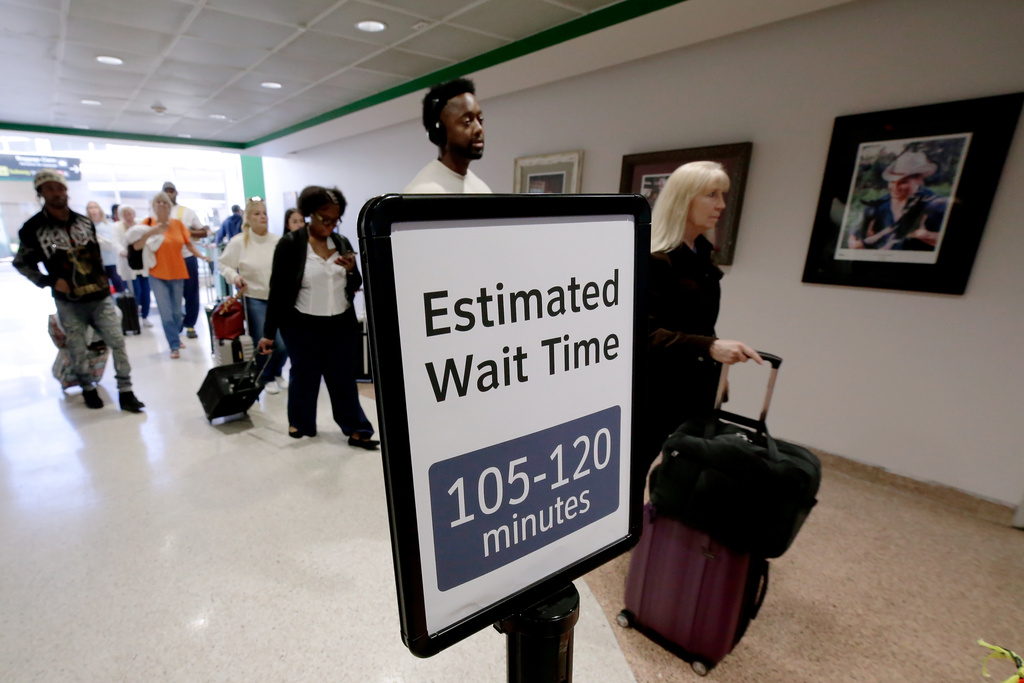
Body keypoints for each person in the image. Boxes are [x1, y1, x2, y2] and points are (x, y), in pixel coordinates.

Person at [644, 161, 762, 472]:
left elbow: (700, 323)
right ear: (684, 198)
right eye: (711, 195)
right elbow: (645, 334)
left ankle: (663, 522)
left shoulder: (700, 253)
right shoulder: (655, 260)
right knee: (634, 468)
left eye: (722, 195)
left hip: (694, 384)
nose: (721, 205)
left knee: (688, 469)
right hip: (656, 390)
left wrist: (716, 370)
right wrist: (709, 348)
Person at [13, 170, 145, 412]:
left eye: (60, 187)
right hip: (69, 301)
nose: (56, 193)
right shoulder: (32, 229)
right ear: (41, 192)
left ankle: (126, 391)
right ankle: (88, 388)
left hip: (100, 295)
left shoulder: (84, 222)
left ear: (66, 190)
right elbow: (21, 263)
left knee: (117, 342)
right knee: (77, 347)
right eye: (50, 188)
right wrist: (48, 281)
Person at [259, 186, 377, 449]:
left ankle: (356, 427)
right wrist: (268, 333)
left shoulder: (342, 243)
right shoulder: (291, 244)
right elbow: (277, 290)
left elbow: (356, 282)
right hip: (302, 324)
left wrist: (350, 271)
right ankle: (300, 423)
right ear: (310, 214)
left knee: (343, 377)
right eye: (325, 219)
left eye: (336, 220)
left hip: (341, 323)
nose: (331, 225)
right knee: (304, 374)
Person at [218, 198, 289, 395]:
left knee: (284, 344)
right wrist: (235, 276)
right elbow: (223, 264)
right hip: (254, 297)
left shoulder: (277, 241)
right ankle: (265, 377)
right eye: (257, 214)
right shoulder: (239, 242)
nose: (262, 217)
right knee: (265, 341)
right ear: (248, 218)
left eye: (264, 213)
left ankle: (276, 372)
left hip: (279, 298)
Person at [134, 192, 210, 358]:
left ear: (170, 206)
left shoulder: (178, 224)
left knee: (176, 312)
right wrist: (150, 232)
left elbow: (189, 245)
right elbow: (137, 247)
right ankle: (174, 345)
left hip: (178, 272)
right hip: (157, 274)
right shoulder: (146, 224)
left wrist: (202, 256)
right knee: (166, 312)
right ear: (153, 206)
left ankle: (176, 335)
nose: (162, 205)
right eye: (158, 202)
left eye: (165, 203)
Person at [404, 77, 491, 194]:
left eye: (480, 120)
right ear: (438, 132)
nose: (479, 129)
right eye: (467, 121)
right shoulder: (421, 193)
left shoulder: (482, 190)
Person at [849, 150, 947, 251]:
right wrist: (854, 241)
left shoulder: (937, 204)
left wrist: (928, 236)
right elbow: (855, 236)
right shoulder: (879, 204)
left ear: (918, 180)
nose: (895, 187)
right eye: (892, 181)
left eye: (902, 182)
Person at [161, 181, 208, 339]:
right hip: (167, 261)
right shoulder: (157, 214)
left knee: (191, 292)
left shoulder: (186, 212)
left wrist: (189, 232)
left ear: (176, 193)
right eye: (166, 191)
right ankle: (176, 323)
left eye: (171, 191)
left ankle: (190, 324)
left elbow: (203, 232)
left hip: (187, 257)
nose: (169, 194)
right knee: (171, 295)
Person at [117, 206, 153, 328]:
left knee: (146, 292)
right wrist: (123, 251)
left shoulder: (140, 226)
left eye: (131, 213)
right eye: (126, 214)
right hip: (129, 264)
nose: (129, 216)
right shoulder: (118, 227)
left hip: (143, 265)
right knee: (135, 292)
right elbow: (116, 243)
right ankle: (134, 317)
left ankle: (145, 316)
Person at [87, 200, 125, 293]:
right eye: (90, 208)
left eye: (95, 207)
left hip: (113, 261)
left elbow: (113, 243)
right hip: (98, 263)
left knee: (119, 287)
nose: (93, 210)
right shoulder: (87, 227)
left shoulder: (109, 225)